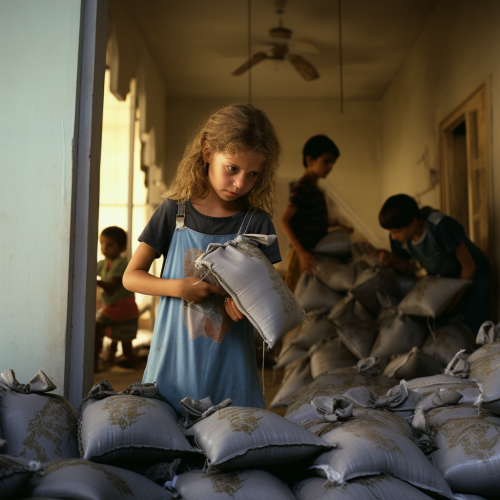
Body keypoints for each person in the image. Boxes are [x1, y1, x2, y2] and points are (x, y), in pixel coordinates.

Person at [123, 103, 282, 414]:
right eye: (232, 169)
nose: (240, 183)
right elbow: (131, 276)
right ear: (208, 152)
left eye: (253, 174)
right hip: (173, 362)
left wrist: (247, 306)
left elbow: (271, 297)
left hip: (232, 367)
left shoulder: (257, 224)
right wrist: (178, 288)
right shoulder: (174, 211)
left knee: (231, 445)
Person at [377, 194, 491, 332]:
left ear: (413, 221)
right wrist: (391, 260)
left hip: (474, 276)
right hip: (448, 280)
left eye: (396, 231)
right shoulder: (399, 239)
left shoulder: (440, 226)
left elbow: (469, 266)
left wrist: (452, 303)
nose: (393, 236)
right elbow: (410, 268)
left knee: (472, 327)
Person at [280, 134, 352, 292]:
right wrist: (301, 253)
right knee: (297, 298)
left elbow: (312, 219)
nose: (330, 166)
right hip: (303, 256)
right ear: (310, 161)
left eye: (333, 163)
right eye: (327, 161)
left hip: (315, 253)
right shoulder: (302, 187)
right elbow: (284, 221)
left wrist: (339, 226)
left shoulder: (316, 189)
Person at [95, 226, 141, 372]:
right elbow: (89, 269)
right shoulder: (102, 264)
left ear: (121, 247)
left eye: (110, 244)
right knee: (124, 344)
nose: (104, 247)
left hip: (123, 308)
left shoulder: (121, 264)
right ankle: (110, 358)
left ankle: (94, 363)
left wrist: (94, 280)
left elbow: (112, 287)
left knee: (97, 328)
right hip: (113, 307)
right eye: (101, 243)